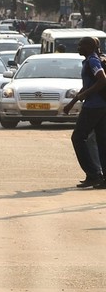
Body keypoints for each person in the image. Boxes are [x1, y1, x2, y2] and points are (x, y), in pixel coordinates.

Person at [60, 36, 106, 187]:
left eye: (81, 45)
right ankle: (100, 177)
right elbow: (88, 85)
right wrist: (72, 103)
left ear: (89, 46)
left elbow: (102, 80)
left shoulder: (93, 61)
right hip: (100, 106)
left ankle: (93, 174)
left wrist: (85, 95)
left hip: (94, 107)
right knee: (101, 142)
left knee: (78, 138)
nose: (78, 47)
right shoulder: (90, 60)